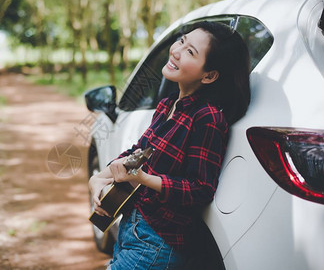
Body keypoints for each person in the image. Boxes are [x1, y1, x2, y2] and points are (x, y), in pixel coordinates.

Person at [89, 21, 251, 269]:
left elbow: (200, 189)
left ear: (209, 75)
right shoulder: (167, 105)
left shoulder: (207, 118)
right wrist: (100, 176)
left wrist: (144, 179)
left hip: (156, 243)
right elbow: (137, 153)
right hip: (131, 229)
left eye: (190, 52)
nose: (176, 50)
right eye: (182, 41)